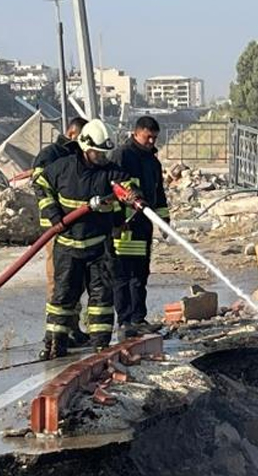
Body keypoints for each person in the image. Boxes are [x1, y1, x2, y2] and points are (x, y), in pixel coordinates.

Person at [34, 119, 137, 359]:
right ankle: (54, 345)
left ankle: (101, 347)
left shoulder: (110, 172)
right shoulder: (63, 168)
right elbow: (41, 184)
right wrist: (54, 215)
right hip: (67, 246)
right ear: (84, 147)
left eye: (104, 154)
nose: (101, 158)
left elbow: (127, 185)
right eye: (97, 153)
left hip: (99, 247)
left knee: (101, 299)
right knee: (62, 298)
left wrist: (132, 194)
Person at [109, 116, 171, 338]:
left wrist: (164, 222)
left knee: (140, 276)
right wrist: (119, 219)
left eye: (155, 138)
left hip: (143, 228)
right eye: (148, 137)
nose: (152, 142)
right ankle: (125, 321)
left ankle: (138, 319)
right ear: (136, 133)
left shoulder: (153, 162)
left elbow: (158, 195)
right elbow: (114, 186)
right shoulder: (122, 156)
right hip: (124, 227)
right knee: (123, 277)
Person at [33, 117, 90, 348]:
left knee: (76, 279)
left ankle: (72, 327)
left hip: (76, 228)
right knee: (58, 279)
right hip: (55, 229)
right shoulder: (50, 155)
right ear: (72, 133)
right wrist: (57, 217)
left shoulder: (78, 154)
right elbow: (40, 187)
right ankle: (55, 332)